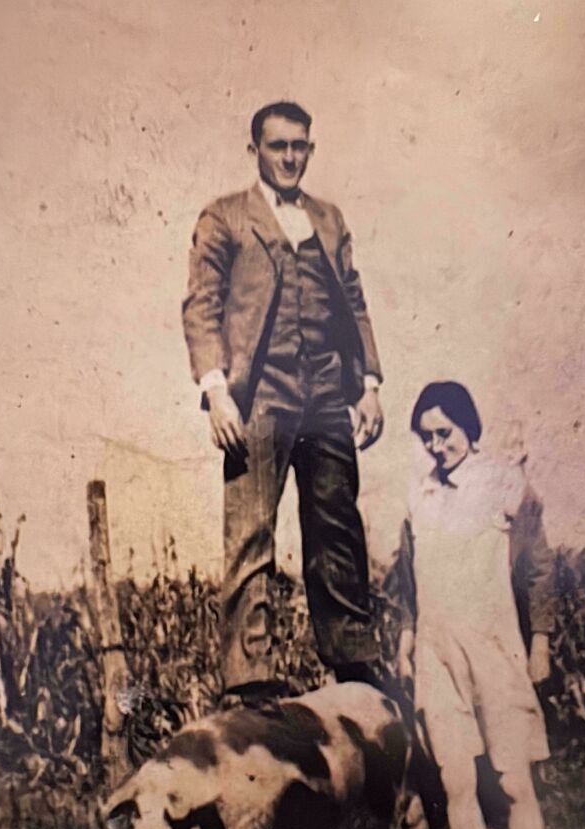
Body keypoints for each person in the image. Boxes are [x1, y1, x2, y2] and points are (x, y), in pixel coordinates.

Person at [182, 101, 384, 700]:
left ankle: (351, 661)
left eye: (300, 146)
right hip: (258, 396)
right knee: (250, 534)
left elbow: (353, 297)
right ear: (255, 152)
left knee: (337, 528)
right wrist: (216, 392)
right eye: (278, 147)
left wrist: (368, 383)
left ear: (310, 149)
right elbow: (201, 305)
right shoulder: (224, 218)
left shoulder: (328, 218)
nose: (290, 157)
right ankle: (251, 679)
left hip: (326, 391)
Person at [396, 380, 556, 829]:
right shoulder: (421, 498)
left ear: (468, 426)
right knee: (458, 780)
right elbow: (407, 579)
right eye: (427, 437)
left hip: (495, 649)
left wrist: (541, 639)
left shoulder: (507, 484)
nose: (438, 446)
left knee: (514, 783)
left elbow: (537, 568)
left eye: (445, 432)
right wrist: (408, 638)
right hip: (439, 656)